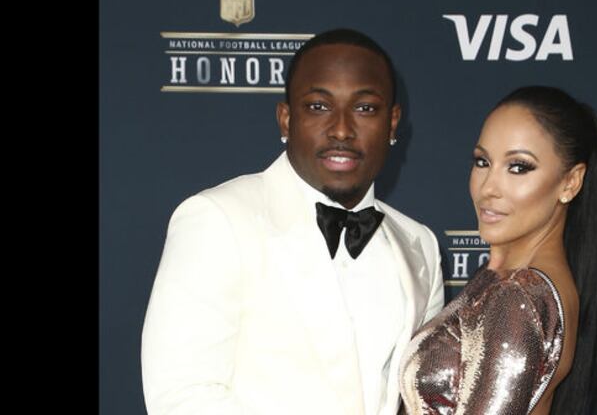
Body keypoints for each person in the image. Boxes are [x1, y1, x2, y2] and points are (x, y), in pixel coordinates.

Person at [141, 28, 445, 415]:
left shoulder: (420, 245)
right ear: (286, 119)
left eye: (365, 108)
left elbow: (417, 399)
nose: (341, 129)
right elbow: (182, 396)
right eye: (319, 106)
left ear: (393, 122)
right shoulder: (218, 219)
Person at [399, 86, 597, 415]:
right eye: (482, 161)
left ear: (570, 182)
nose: (488, 188)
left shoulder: (518, 297)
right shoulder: (507, 282)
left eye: (518, 167)